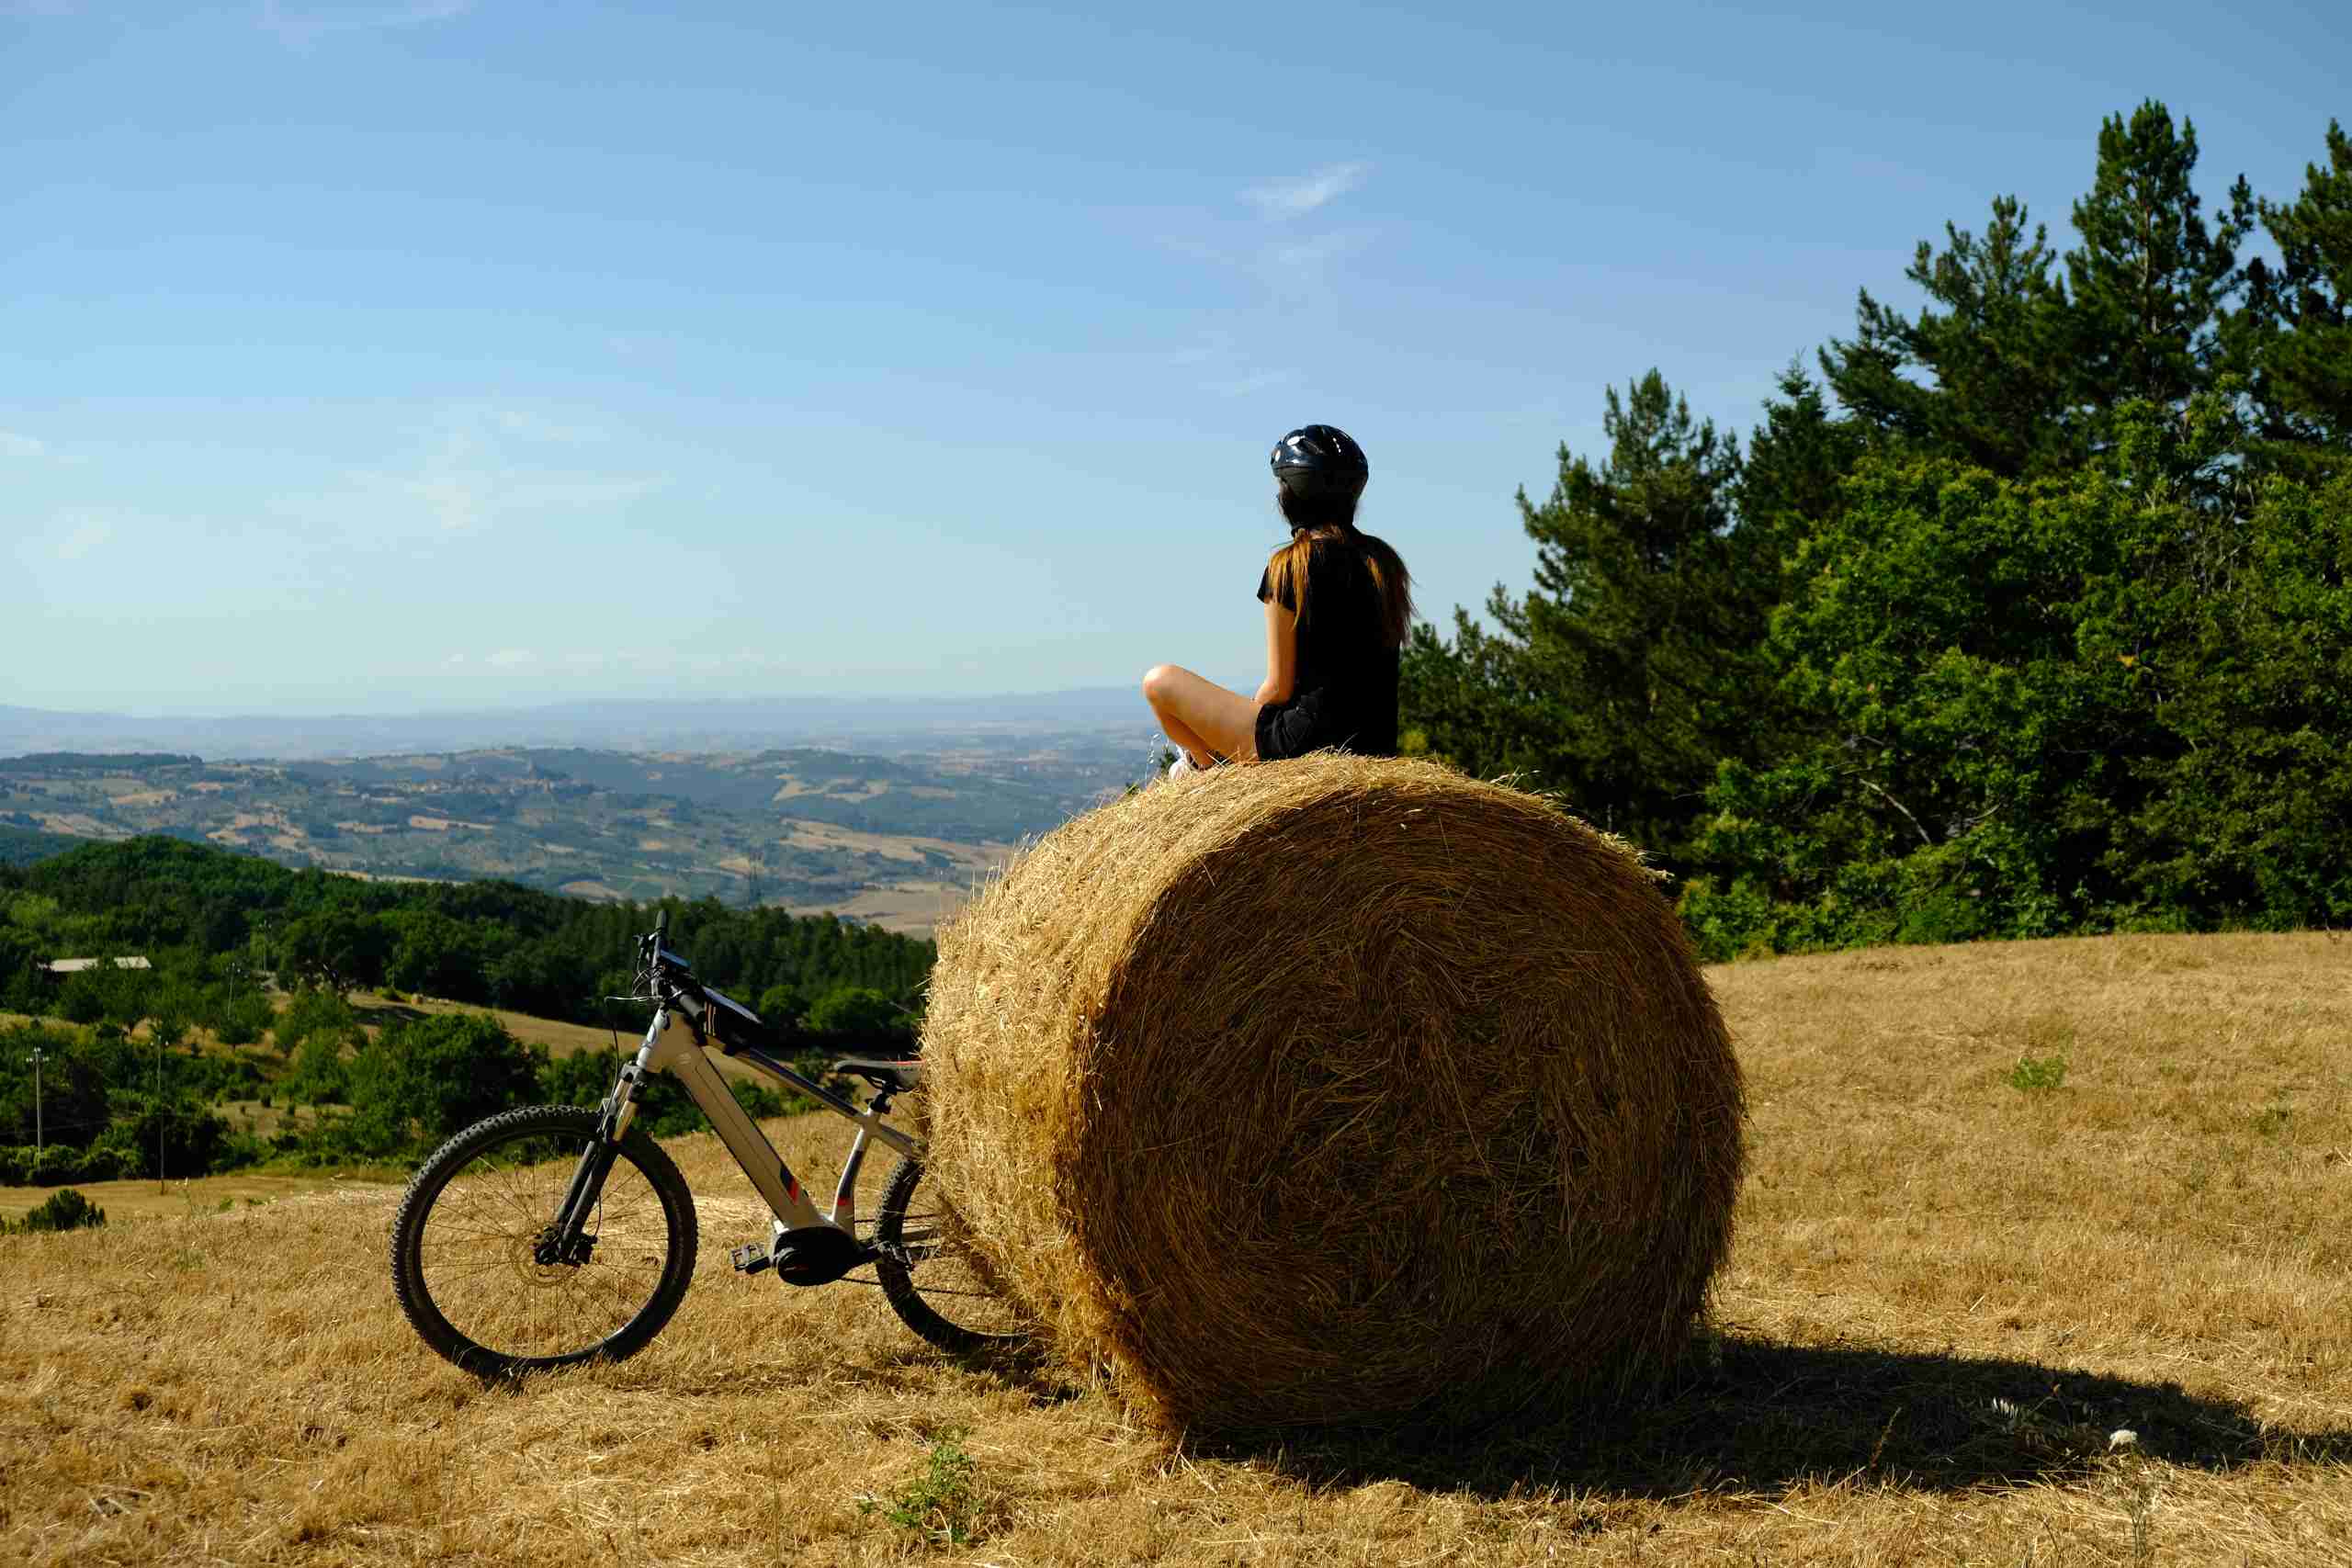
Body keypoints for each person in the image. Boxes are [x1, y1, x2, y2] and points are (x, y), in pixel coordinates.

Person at [1143, 424, 1414, 773]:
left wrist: (1230, 729)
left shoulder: (1291, 566)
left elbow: (1279, 688)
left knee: (1158, 682)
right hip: (1374, 744)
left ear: (1292, 494)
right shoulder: (1384, 562)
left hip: (1303, 743)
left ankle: (1210, 768)